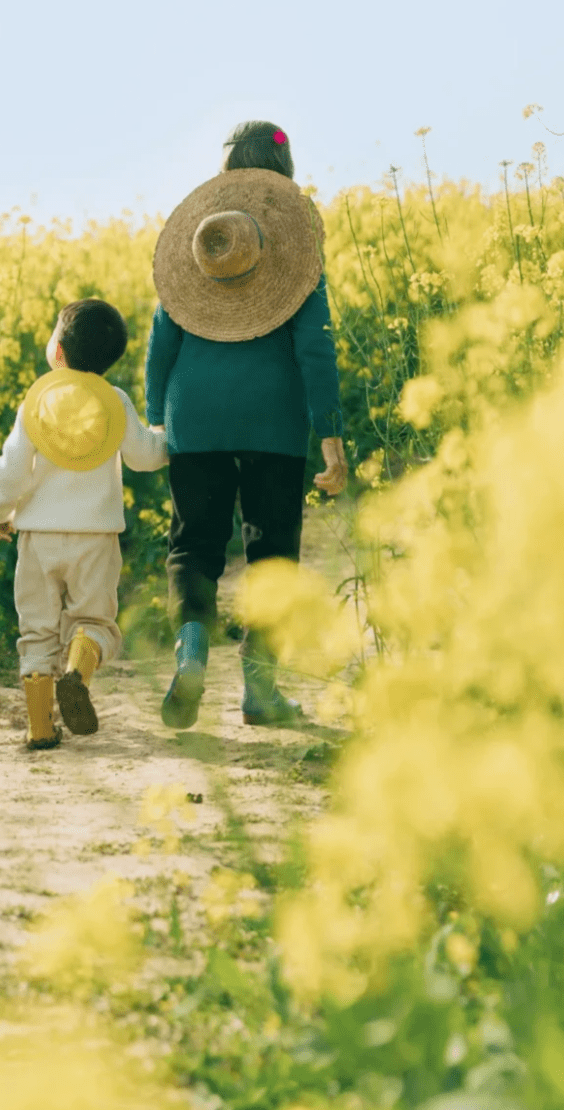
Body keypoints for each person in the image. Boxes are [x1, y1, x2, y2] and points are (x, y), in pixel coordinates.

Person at [144, 120, 347, 730]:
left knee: (193, 544)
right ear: (281, 176)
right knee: (273, 554)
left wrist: (158, 422)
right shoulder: (296, 250)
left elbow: (161, 345)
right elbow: (317, 351)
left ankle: (192, 652)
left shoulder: (199, 245)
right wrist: (331, 441)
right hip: (274, 421)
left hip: (194, 418)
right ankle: (260, 691)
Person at [0, 298, 168, 750]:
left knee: (37, 630)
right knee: (94, 622)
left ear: (58, 351)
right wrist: (166, 436)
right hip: (96, 537)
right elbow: (145, 457)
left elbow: (11, 469)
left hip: (38, 539)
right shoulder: (114, 400)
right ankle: (78, 672)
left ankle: (40, 727)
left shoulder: (39, 400)